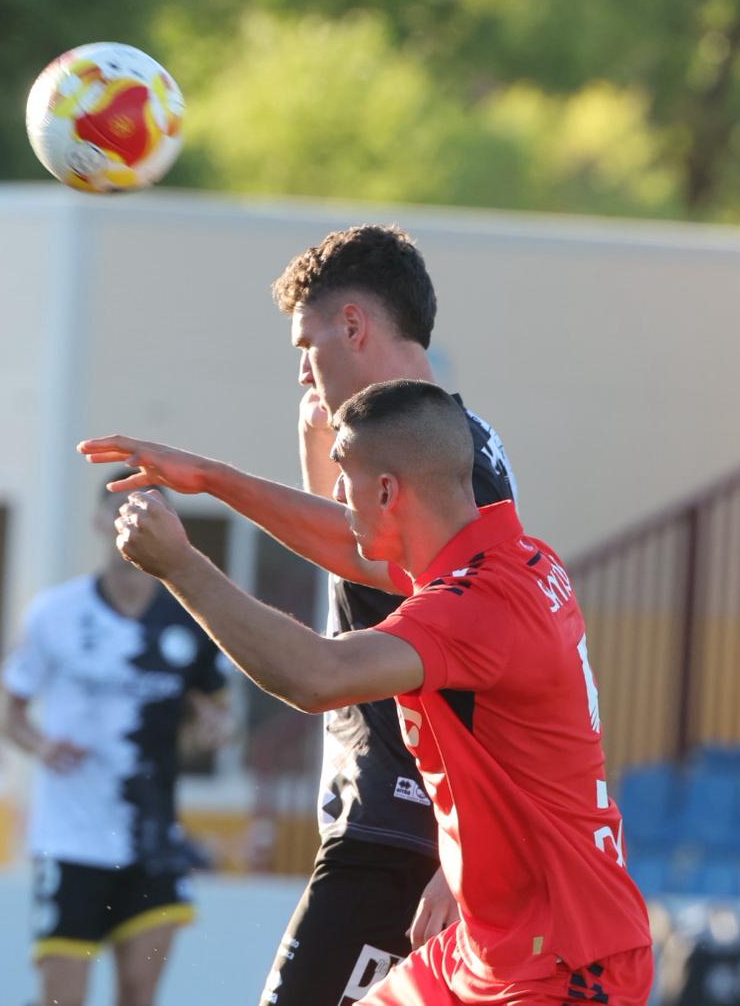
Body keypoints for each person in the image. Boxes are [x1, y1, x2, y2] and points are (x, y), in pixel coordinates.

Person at [89, 380, 653, 1005]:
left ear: (387, 491)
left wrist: (181, 565)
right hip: (493, 944)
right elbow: (345, 544)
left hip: (565, 964)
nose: (334, 496)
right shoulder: (508, 555)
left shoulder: (476, 605)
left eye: (343, 476)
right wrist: (212, 478)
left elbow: (315, 677)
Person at [100, 224, 517, 1005]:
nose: (301, 368)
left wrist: (463, 860)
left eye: (307, 342)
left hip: (404, 833)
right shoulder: (442, 444)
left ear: (354, 325)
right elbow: (361, 568)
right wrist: (321, 454)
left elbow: (387, 583)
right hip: (390, 827)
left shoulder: (442, 457)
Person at [1, 483, 232, 1006]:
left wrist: (216, 729)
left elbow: (212, 711)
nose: (134, 522)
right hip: (71, 839)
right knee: (62, 999)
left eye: (152, 512)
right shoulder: (54, 612)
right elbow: (10, 717)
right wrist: (42, 746)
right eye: (121, 511)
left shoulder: (189, 617)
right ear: (100, 524)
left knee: (137, 996)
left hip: (153, 841)